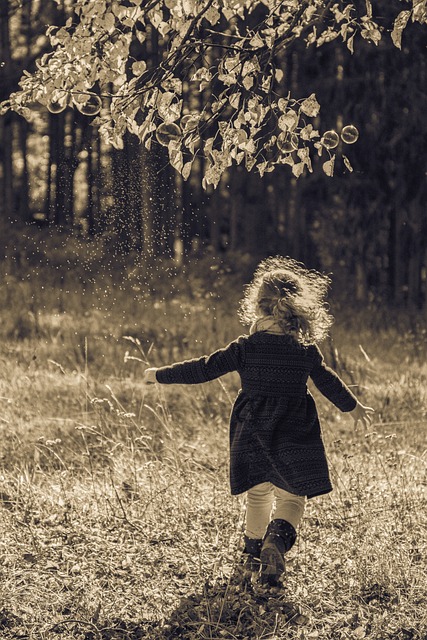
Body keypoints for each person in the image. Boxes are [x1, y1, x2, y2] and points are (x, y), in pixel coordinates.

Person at [143, 256, 374, 586]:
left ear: (257, 306)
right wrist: (353, 408)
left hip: (251, 434)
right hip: (293, 434)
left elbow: (203, 368)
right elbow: (327, 380)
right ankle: (275, 542)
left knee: (258, 496)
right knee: (292, 498)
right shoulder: (303, 348)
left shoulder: (246, 347)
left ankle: (252, 553)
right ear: (299, 307)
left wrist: (159, 375)